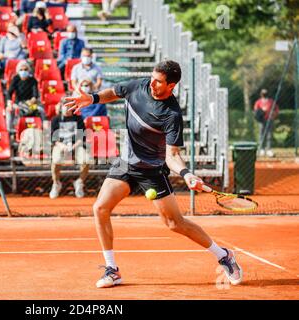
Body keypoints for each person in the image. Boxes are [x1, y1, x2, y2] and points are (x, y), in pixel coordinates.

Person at [64, 60, 243, 288]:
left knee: (175, 224)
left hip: (152, 171)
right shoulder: (139, 86)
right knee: (100, 208)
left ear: (171, 86)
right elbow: (115, 91)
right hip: (126, 163)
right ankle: (112, 270)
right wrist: (92, 98)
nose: (152, 83)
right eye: (152, 77)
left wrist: (186, 173)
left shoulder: (171, 114)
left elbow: (172, 155)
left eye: (158, 81)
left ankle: (223, 255)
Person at [50, 98, 90, 199]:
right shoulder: (56, 119)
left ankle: (79, 182)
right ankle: (56, 183)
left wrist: (74, 146)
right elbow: (54, 139)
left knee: (86, 160)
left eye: (69, 106)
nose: (67, 109)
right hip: (61, 145)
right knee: (56, 161)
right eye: (65, 106)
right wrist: (62, 146)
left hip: (76, 145)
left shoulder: (78, 119)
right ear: (61, 107)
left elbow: (82, 137)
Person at [6, 60, 46, 131]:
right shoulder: (16, 79)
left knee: (41, 110)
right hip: (18, 103)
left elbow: (35, 94)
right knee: (9, 110)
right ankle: (9, 130)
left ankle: (44, 129)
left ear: (28, 70)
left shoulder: (33, 80)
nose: (23, 71)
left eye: (25, 69)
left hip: (30, 103)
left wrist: (32, 100)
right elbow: (9, 92)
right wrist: (9, 103)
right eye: (21, 70)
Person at [253, 89, 279, 157]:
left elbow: (276, 109)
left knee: (269, 135)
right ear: (261, 94)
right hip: (262, 120)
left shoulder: (271, 101)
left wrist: (274, 115)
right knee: (261, 134)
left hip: (269, 119)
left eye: (265, 93)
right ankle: (261, 149)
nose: (264, 94)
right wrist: (261, 111)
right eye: (263, 93)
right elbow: (255, 110)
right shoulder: (258, 102)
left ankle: (268, 149)